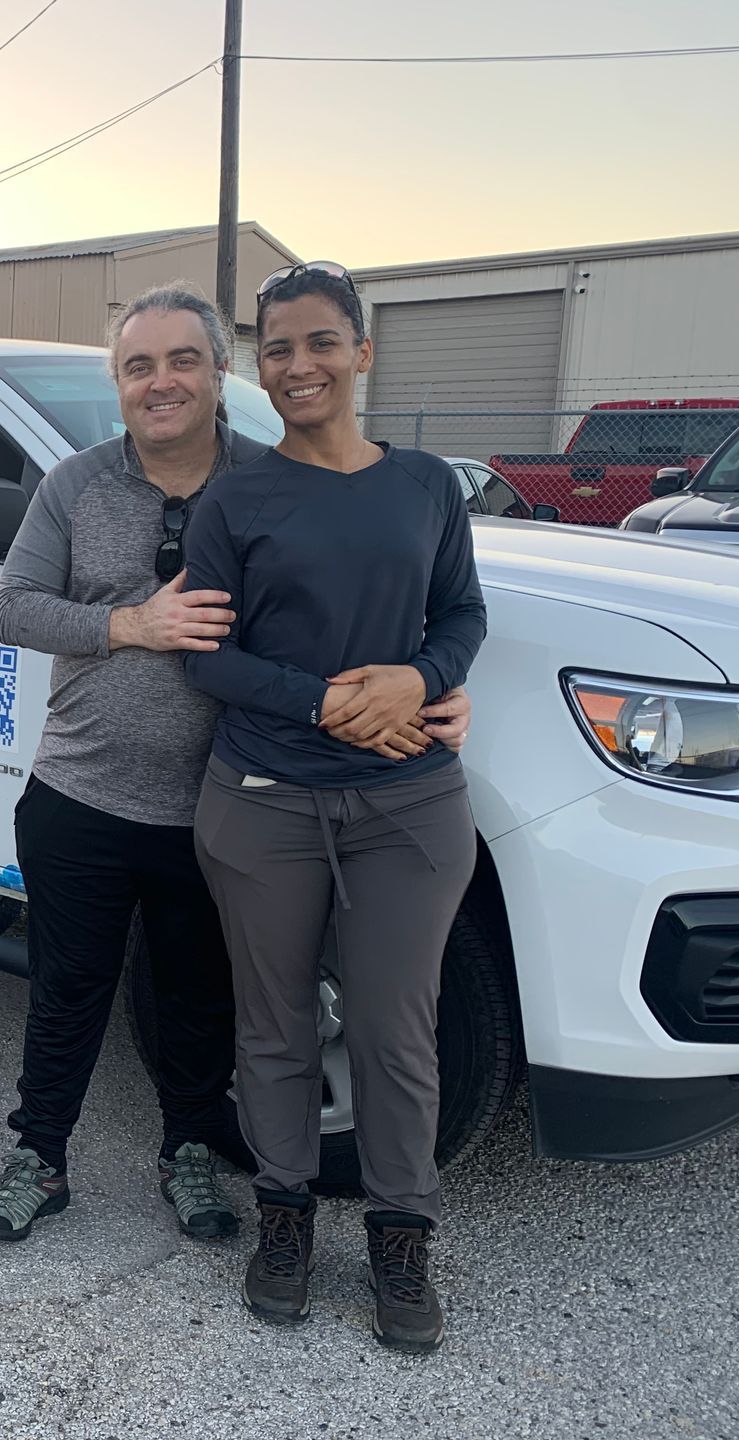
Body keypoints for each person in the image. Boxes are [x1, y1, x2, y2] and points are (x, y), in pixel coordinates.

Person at [0, 283, 471, 1246]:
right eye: (138, 366)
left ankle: (190, 1153)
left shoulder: (269, 482)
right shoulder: (77, 485)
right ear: (118, 384)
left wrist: (433, 679)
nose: (161, 383)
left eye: (182, 360)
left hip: (224, 799)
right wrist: (130, 623)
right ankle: (40, 1153)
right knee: (68, 988)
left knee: (200, 994)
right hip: (82, 793)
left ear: (219, 372)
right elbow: (12, 608)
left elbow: (383, 603)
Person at [182, 262, 487, 1354]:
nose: (297, 364)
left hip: (408, 803)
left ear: (363, 353)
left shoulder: (426, 489)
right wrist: (326, 702)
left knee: (399, 1032)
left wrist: (419, 678)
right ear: (258, 368)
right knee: (274, 1028)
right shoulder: (235, 497)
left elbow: (460, 612)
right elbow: (207, 655)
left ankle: (401, 1240)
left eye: (319, 342)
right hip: (264, 801)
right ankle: (285, 1223)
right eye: (276, 348)